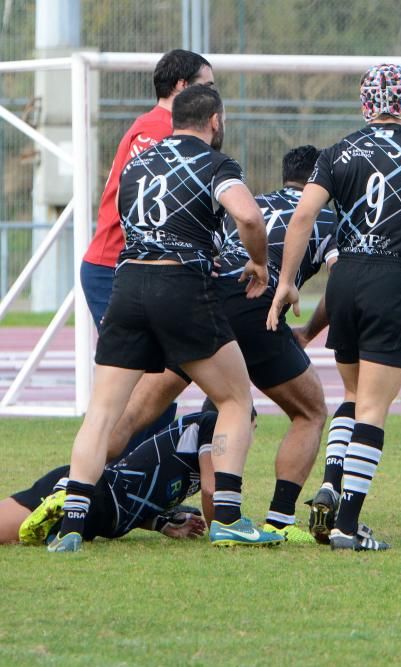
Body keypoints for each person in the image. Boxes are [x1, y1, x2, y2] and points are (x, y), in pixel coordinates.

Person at [47, 84, 283, 552]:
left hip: (128, 286)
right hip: (180, 286)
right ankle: (230, 518)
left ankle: (72, 524)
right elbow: (250, 218)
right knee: (235, 399)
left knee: (103, 412)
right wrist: (259, 263)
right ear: (215, 121)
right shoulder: (215, 164)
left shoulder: (136, 164)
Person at [268, 63, 401, 552]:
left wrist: (286, 283)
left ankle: (332, 482)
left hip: (346, 280)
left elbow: (303, 217)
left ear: (365, 105)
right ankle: (347, 524)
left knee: (353, 391)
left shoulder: (337, 153)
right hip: (391, 280)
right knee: (375, 407)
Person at [96, 146, 337, 544]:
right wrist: (310, 331)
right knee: (310, 411)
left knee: (135, 412)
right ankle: (277, 519)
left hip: (200, 304)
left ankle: (72, 489)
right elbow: (339, 284)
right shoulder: (329, 216)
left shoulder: (253, 200)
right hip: (255, 305)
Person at [80, 49, 215, 461]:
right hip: (115, 268)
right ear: (181, 86)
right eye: (207, 87)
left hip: (143, 271)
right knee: (134, 389)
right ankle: (108, 486)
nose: (215, 97)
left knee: (159, 382)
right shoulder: (155, 131)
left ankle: (134, 488)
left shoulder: (167, 130)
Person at [4, 409, 219, 547]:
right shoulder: (213, 426)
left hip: (102, 511)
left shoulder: (201, 448)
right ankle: (63, 505)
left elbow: (135, 493)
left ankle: (65, 513)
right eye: (250, 430)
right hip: (94, 491)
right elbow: (211, 491)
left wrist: (161, 523)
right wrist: (224, 529)